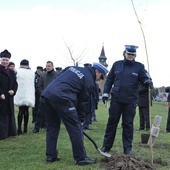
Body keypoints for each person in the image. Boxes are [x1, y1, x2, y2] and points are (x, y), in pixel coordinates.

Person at [41, 62, 108, 165]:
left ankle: (51, 156)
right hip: (63, 98)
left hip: (48, 94)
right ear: (97, 71)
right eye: (101, 76)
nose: (99, 79)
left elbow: (58, 78)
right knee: (76, 129)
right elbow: (83, 102)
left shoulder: (72, 67)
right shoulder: (89, 81)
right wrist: (80, 120)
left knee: (52, 127)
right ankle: (81, 158)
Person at [101, 45, 153, 154]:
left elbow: (144, 79)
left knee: (128, 124)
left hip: (130, 100)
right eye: (129, 54)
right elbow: (109, 80)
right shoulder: (116, 65)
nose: (130, 56)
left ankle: (127, 149)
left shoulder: (139, 67)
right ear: (124, 53)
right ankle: (106, 146)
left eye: (133, 55)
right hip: (116, 99)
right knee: (112, 122)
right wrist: (105, 93)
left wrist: (148, 82)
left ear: (135, 56)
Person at [32, 61, 58, 133]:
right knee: (40, 114)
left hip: (53, 98)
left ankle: (49, 126)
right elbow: (39, 86)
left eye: (49, 66)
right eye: (46, 66)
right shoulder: (43, 75)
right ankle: (36, 128)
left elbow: (58, 86)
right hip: (43, 97)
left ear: (52, 66)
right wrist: (43, 93)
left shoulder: (57, 75)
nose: (47, 67)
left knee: (52, 114)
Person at [0, 49, 18, 140]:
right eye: (3, 60)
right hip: (1, 97)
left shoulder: (11, 72)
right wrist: (0, 93)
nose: (5, 62)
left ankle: (10, 132)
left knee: (9, 113)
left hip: (9, 97)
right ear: (1, 60)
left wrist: (13, 91)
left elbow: (15, 83)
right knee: (2, 115)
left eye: (6, 60)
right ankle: (2, 134)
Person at [14, 59, 35, 135]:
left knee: (20, 111)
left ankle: (19, 129)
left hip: (20, 94)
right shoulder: (32, 73)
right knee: (26, 111)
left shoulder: (18, 71)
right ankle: (25, 128)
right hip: (28, 94)